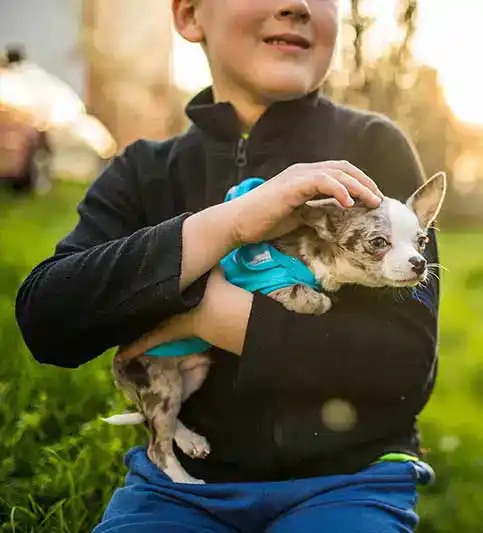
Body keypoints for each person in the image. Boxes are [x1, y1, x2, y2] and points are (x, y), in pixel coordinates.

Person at [14, 1, 441, 531]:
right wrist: (228, 226)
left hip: (351, 482)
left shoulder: (375, 150)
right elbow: (47, 318)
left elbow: (406, 366)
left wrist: (204, 318)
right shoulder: (142, 171)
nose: (298, 5)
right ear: (191, 15)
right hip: (176, 491)